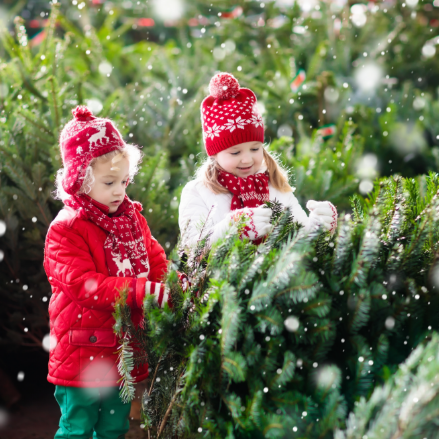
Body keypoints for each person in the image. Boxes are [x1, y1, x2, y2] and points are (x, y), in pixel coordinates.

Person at [44, 106, 168, 439]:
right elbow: (85, 286)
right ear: (81, 180)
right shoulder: (67, 229)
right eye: (109, 182)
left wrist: (171, 284)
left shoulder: (130, 218)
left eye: (124, 181)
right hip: (82, 352)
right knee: (78, 426)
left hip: (121, 351)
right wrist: (142, 291)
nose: (119, 191)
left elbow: (154, 259)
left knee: (115, 425)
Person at [179, 72, 338, 246]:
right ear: (214, 154)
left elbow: (299, 241)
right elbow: (191, 249)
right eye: (235, 153)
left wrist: (319, 227)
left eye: (255, 149)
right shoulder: (198, 192)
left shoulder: (274, 186)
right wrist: (232, 229)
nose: (247, 159)